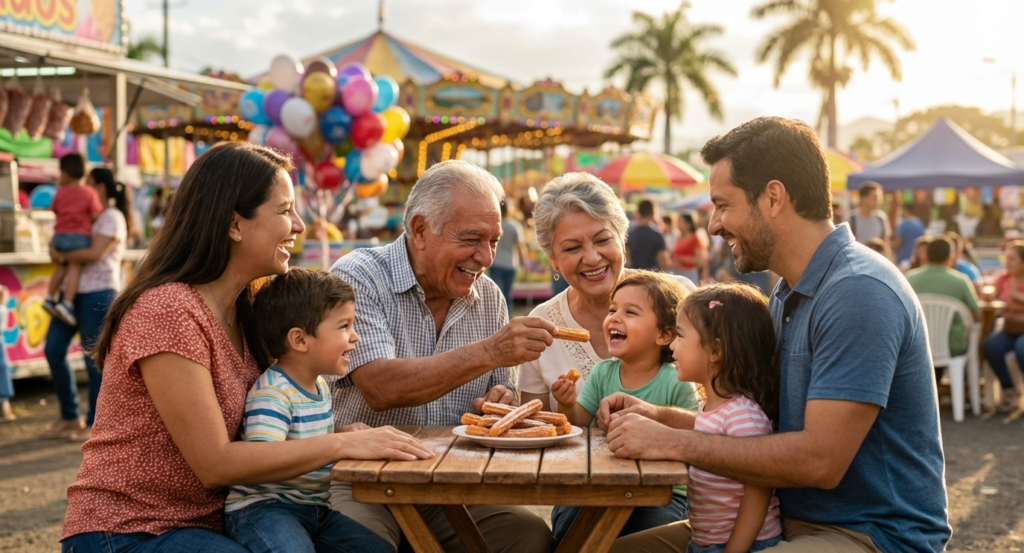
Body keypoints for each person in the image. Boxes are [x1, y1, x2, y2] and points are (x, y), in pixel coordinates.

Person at [60, 143, 432, 553]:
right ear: (235, 224)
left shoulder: (248, 308)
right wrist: (340, 444)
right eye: (285, 210)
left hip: (210, 524)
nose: (300, 225)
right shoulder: (168, 310)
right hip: (127, 531)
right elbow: (214, 464)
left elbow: (259, 426)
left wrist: (337, 431)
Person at [604, 117, 949, 553]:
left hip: (871, 535)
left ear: (772, 197)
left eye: (723, 205)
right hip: (784, 520)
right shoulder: (788, 291)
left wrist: (674, 441)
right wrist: (661, 418)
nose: (713, 225)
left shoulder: (859, 291)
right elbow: (755, 434)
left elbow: (819, 460)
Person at [328, 159, 556, 552]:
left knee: (528, 535)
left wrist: (501, 407)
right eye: (471, 238)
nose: (485, 258)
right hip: (363, 478)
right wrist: (489, 351)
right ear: (420, 230)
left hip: (450, 483)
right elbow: (381, 387)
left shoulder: (489, 300)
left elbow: (501, 398)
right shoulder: (358, 277)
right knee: (364, 544)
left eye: (494, 242)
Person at [224, 268, 393, 553]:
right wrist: (340, 444)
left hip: (314, 509)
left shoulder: (318, 385)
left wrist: (343, 433)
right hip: (264, 510)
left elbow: (299, 435)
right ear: (299, 340)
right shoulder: (274, 392)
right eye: (344, 326)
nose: (356, 338)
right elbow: (265, 459)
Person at [519, 172, 694, 412]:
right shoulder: (541, 327)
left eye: (602, 240)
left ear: (622, 239)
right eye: (572, 247)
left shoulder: (680, 297)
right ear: (553, 261)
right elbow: (534, 425)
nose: (592, 258)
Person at [550, 272, 698, 547]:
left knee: (648, 537)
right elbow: (579, 424)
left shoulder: (677, 381)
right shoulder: (602, 373)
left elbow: (696, 432)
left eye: (630, 312)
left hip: (661, 492)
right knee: (569, 532)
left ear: (664, 334)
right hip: (599, 484)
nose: (614, 317)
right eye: (612, 309)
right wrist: (567, 403)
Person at [672, 283, 783, 553]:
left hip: (745, 545)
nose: (672, 345)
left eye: (680, 336)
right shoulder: (710, 407)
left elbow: (758, 493)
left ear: (715, 351)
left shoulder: (742, 414)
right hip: (707, 541)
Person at [36, 168, 129, 442]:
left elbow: (93, 253)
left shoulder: (112, 217)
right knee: (54, 350)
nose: (81, 190)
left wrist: (61, 253)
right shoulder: (87, 216)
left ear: (99, 187)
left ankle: (94, 423)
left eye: (87, 184)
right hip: (71, 294)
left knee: (94, 360)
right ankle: (69, 415)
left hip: (98, 293)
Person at [905, 236, 979, 384]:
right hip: (953, 345)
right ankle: (967, 386)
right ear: (950, 256)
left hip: (917, 344)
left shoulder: (909, 278)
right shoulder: (960, 280)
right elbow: (977, 316)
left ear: (927, 254)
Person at [43, 153, 104, 326]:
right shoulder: (89, 192)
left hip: (59, 237)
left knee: (62, 266)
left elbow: (54, 211)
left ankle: (48, 297)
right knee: (75, 265)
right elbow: (95, 214)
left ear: (66, 174)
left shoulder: (60, 193)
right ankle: (67, 303)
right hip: (79, 237)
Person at [982, 240, 1024, 413]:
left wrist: (1018, 297)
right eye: (1006, 258)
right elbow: (992, 296)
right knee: (990, 345)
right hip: (1009, 327)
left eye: (1012, 259)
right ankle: (1009, 389)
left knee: (1021, 348)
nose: (1007, 262)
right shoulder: (1002, 278)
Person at [489, 199, 527, 312]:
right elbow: (521, 246)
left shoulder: (495, 225)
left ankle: (496, 318)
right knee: (507, 295)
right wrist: (525, 262)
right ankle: (507, 316)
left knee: (497, 294)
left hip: (496, 263)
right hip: (510, 264)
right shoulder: (514, 226)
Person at [626, 199, 670, 270]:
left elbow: (627, 259)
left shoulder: (630, 233)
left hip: (634, 274)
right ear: (653, 214)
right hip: (652, 275)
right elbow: (663, 261)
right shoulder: (657, 235)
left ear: (638, 213)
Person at [672, 213, 705, 284]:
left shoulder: (694, 238)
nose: (678, 224)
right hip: (677, 272)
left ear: (688, 224)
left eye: (681, 222)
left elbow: (698, 260)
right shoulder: (678, 238)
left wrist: (682, 259)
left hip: (689, 273)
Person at [0, 285, 13, 421]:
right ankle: (6, 410)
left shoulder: (2, 309)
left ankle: (6, 411)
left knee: (2, 372)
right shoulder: (4, 309)